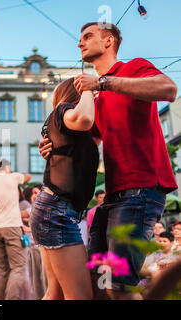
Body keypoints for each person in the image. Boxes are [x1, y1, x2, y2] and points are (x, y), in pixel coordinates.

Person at [39, 22, 178, 299]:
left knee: (120, 286)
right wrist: (53, 147)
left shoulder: (133, 68)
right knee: (100, 282)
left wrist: (102, 82)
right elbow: (83, 146)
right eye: (79, 38)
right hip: (112, 199)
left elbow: (169, 89)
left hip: (141, 191)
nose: (80, 43)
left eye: (87, 36)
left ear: (109, 41)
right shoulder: (95, 101)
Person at [31, 76, 98, 300]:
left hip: (52, 210)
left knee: (56, 293)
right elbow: (86, 118)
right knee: (79, 297)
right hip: (56, 211)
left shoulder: (68, 127)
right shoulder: (64, 109)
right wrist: (89, 88)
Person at [0, 158, 32, 300]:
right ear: (7, 167)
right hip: (11, 227)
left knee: (2, 270)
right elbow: (28, 176)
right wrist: (13, 173)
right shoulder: (12, 178)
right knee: (18, 267)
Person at [23, 184, 48, 300]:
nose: (34, 195)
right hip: (34, 247)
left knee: (45, 278)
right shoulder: (33, 208)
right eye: (33, 193)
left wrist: (26, 227)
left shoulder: (42, 207)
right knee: (35, 278)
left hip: (45, 247)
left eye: (36, 192)